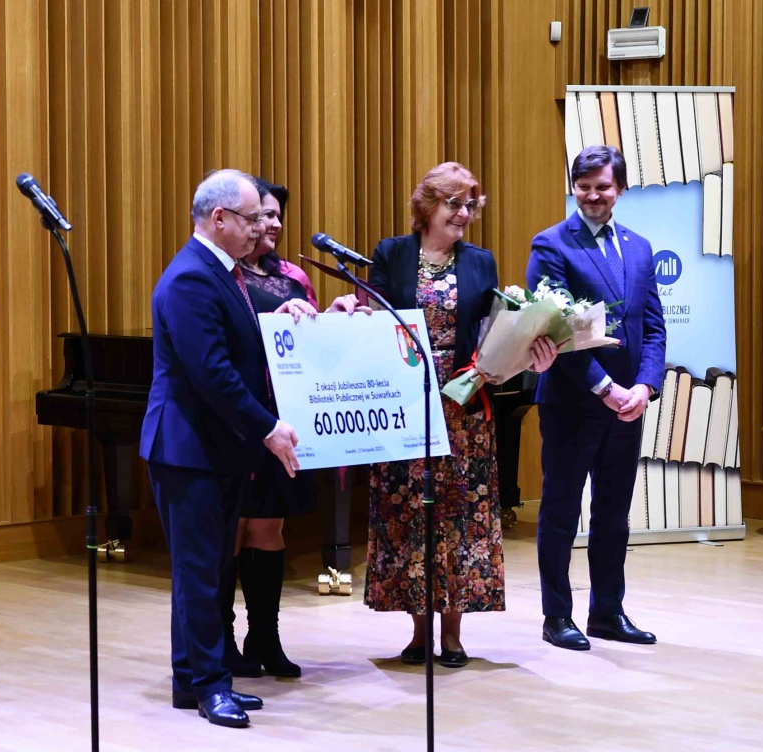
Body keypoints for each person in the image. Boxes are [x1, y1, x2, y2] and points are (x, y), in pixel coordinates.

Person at [364, 162, 557, 668]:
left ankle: (452, 634)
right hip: (404, 405)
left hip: (463, 407)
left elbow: (492, 332)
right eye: (455, 204)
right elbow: (371, 320)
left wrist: (525, 350)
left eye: (472, 205)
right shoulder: (391, 254)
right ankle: (418, 632)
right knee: (409, 514)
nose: (465, 213)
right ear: (427, 204)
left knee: (460, 517)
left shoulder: (480, 262)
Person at [140, 169, 300, 728]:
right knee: (200, 573)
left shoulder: (221, 271)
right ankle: (210, 685)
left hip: (215, 450)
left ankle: (193, 681)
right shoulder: (192, 277)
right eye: (252, 217)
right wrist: (268, 428)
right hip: (188, 450)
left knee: (208, 568)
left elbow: (237, 347)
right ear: (219, 218)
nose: (261, 226)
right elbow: (212, 373)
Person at [226, 176, 367, 679]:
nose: (273, 223)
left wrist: (333, 315)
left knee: (269, 525)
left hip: (283, 419)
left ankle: (264, 636)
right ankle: (221, 641)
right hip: (239, 417)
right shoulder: (222, 275)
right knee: (231, 529)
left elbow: (303, 344)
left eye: (277, 215)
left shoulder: (292, 275)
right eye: (263, 214)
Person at [526, 145, 666, 651]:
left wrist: (644, 387)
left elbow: (653, 328)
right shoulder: (550, 245)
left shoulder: (640, 247)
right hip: (573, 402)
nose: (592, 195)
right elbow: (555, 330)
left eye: (602, 186)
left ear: (620, 190)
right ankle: (557, 617)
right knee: (561, 511)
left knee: (613, 513)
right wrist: (605, 388)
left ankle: (607, 611)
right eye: (583, 187)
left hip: (628, 405)